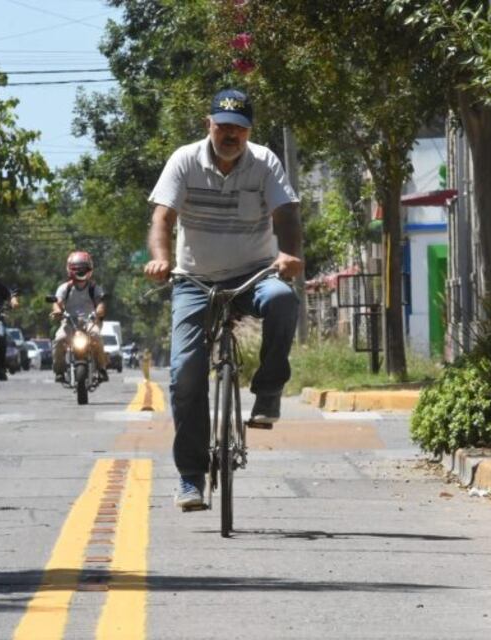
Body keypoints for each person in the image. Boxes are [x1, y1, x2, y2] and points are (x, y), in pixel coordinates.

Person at [144, 88, 303, 510]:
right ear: (208, 125)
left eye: (239, 128)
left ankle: (268, 391)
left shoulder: (265, 162)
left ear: (249, 131)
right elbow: (163, 216)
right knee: (185, 373)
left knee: (284, 299)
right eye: (223, 126)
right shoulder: (184, 160)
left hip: (254, 275)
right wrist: (161, 259)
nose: (230, 134)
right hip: (194, 281)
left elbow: (286, 213)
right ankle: (191, 477)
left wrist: (289, 255)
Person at [51, 251, 108, 383]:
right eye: (77, 269)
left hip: (90, 321)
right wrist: (57, 311)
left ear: (90, 269)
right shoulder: (64, 288)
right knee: (59, 339)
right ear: (70, 270)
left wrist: (99, 311)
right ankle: (59, 371)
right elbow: (57, 303)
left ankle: (101, 369)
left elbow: (100, 303)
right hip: (69, 321)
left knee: (97, 337)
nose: (81, 271)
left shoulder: (94, 288)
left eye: (84, 268)